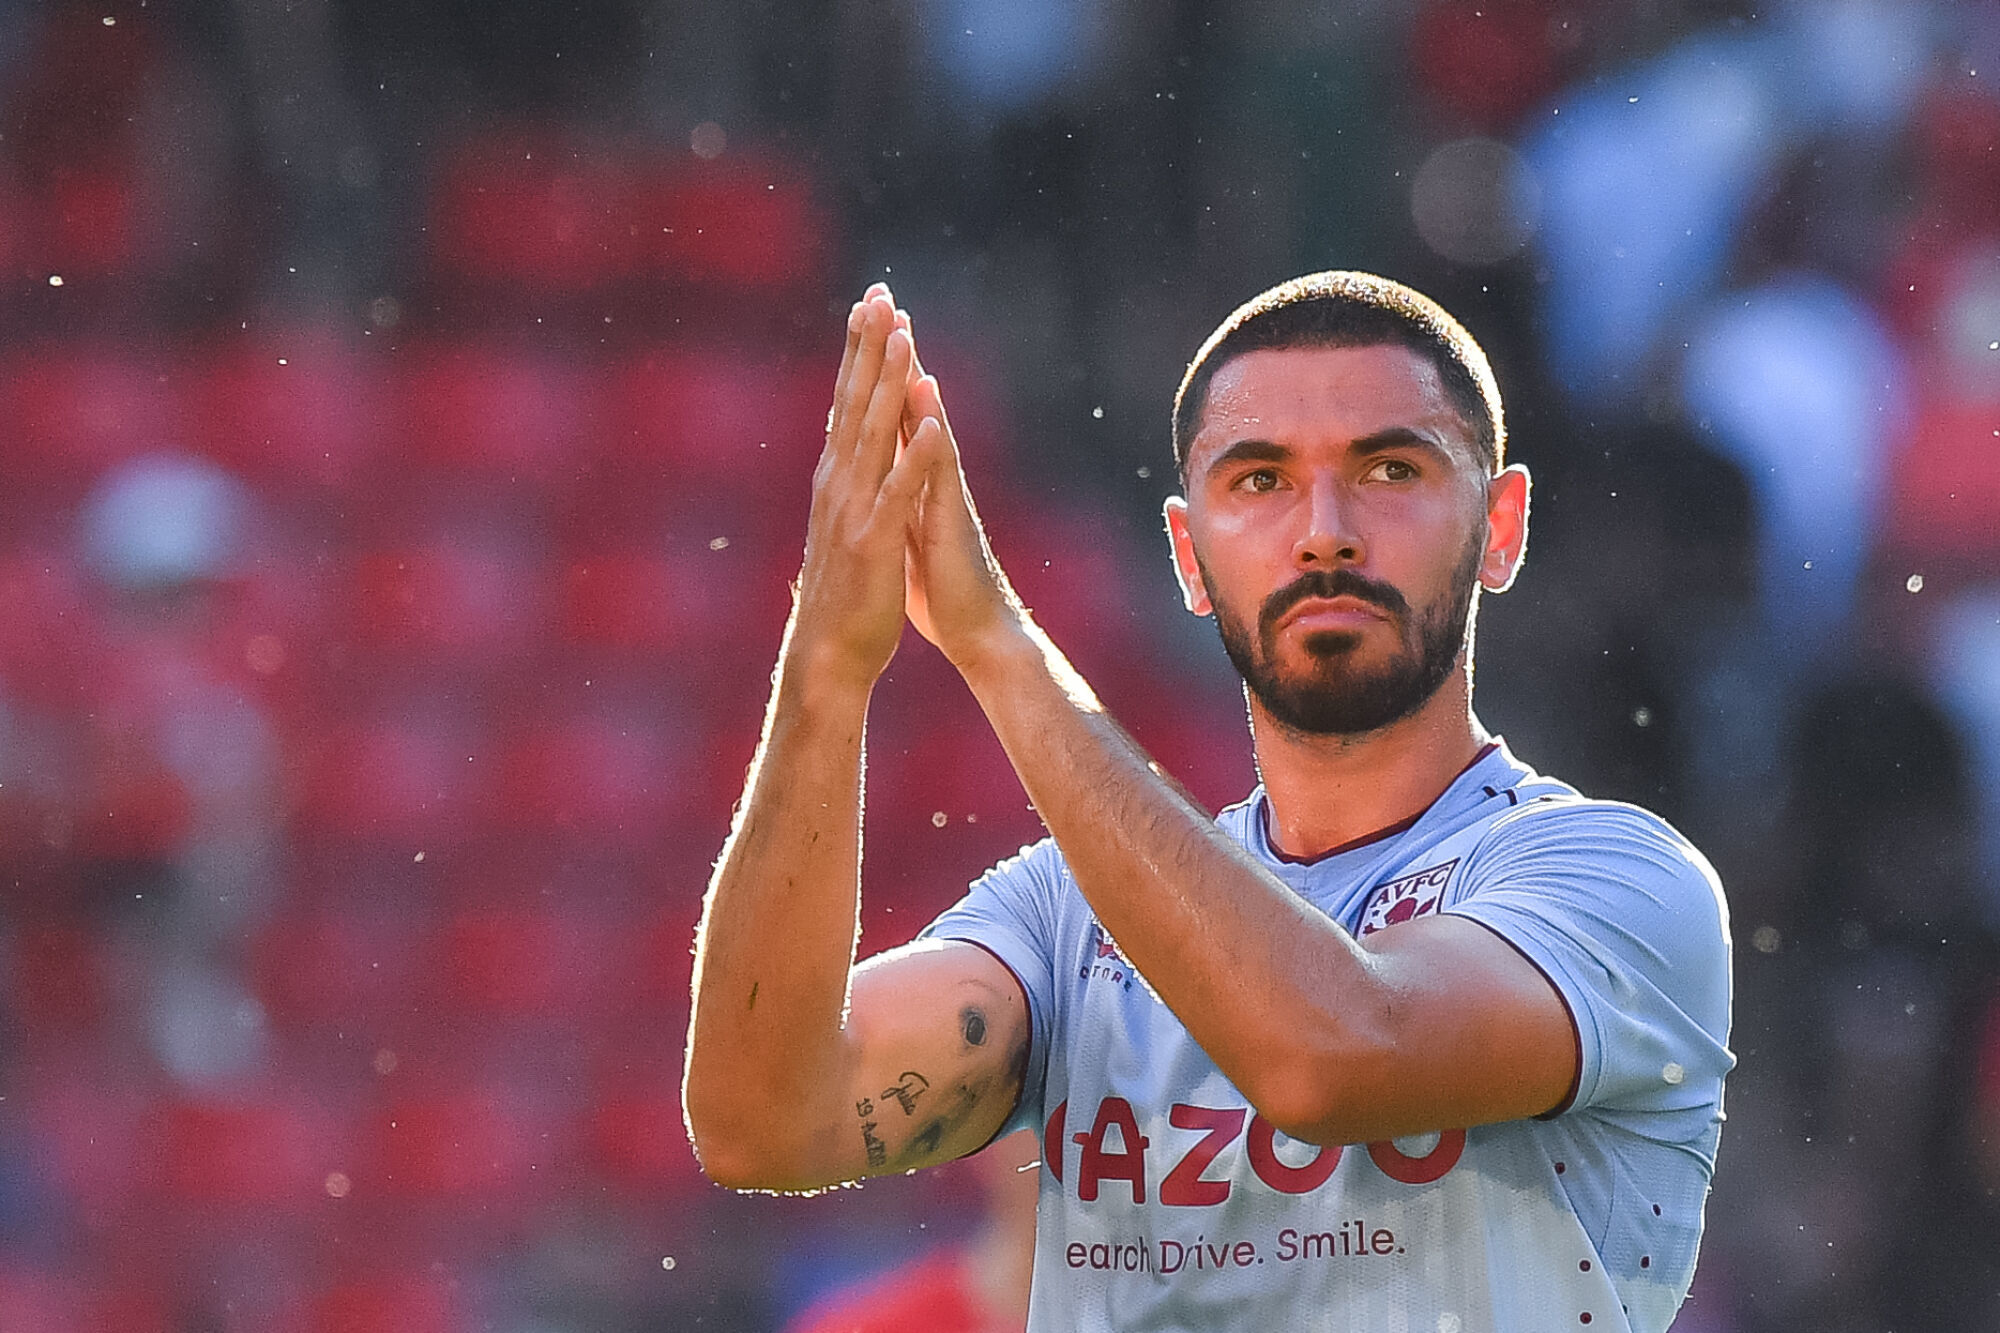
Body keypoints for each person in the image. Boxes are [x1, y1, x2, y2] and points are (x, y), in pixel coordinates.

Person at [683, 271, 1733, 1332]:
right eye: (1260, 480)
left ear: (1500, 525)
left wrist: (997, 644)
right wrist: (826, 676)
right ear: (1188, 558)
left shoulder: (1618, 882)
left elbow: (1329, 1061)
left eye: (1389, 469)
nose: (1324, 531)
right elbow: (759, 1126)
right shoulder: (1061, 918)